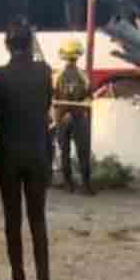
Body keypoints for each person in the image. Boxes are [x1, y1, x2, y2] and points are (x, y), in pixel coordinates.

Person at [0, 17, 54, 280]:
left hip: (9, 154)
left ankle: (18, 278)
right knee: (38, 218)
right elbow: (47, 104)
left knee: (12, 220)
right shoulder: (44, 71)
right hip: (38, 151)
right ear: (30, 43)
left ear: (7, 45)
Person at [53, 39, 95, 195]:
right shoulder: (84, 75)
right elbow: (90, 96)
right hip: (79, 119)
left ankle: (68, 184)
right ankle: (86, 186)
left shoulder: (57, 75)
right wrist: (77, 111)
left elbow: (52, 98)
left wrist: (62, 114)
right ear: (78, 56)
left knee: (64, 151)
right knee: (83, 152)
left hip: (62, 119)